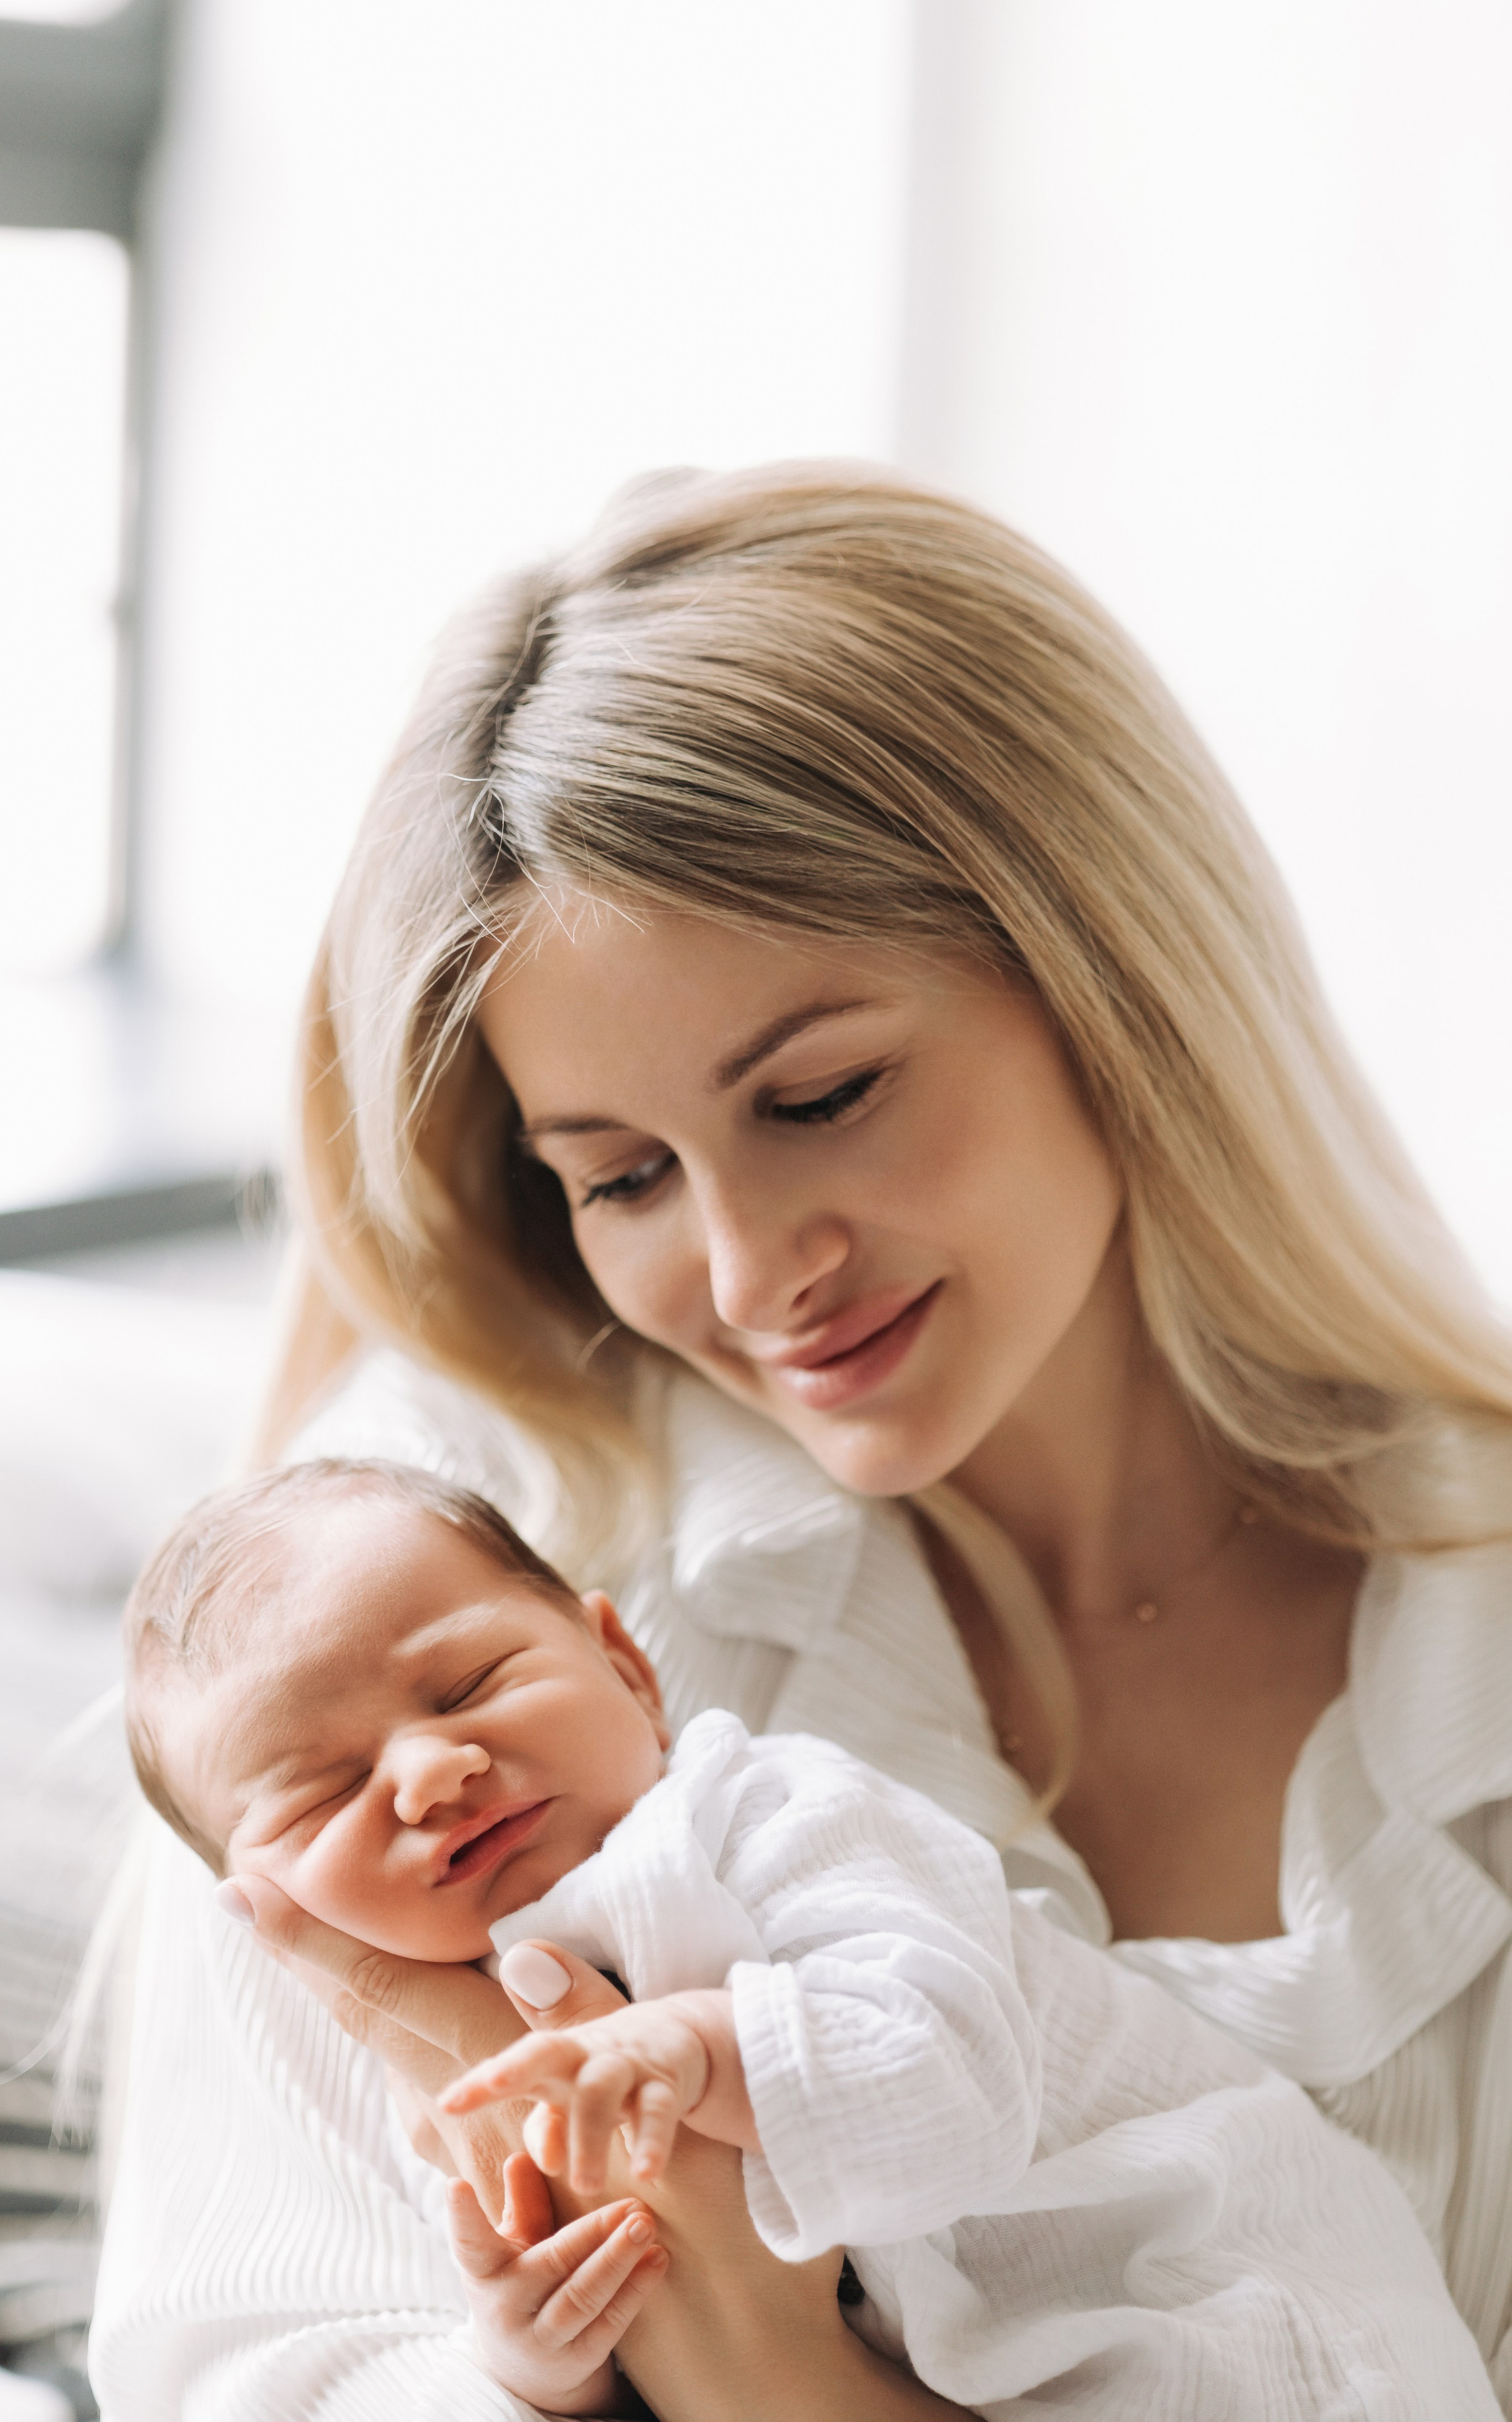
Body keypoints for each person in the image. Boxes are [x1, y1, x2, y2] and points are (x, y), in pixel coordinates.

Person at [90, 465, 1512, 2422]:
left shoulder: (1475, 1647)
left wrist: (760, 2366)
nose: (756, 1273)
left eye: (823, 1095)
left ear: (1112, 973)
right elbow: (248, 2370)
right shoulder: (403, 1583)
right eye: (620, 1176)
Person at [118, 1450, 1497, 2421]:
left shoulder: (773, 1813)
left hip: (1256, 2333)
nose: (426, 1776)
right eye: (319, 1792)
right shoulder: (435, 2051)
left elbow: (941, 2081)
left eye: (472, 1683)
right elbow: (614, 2327)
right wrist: (542, 2357)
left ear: (628, 1666)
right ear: (263, 1898)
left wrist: (693, 2048)